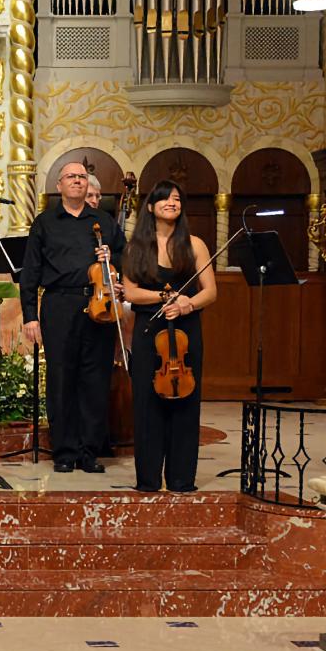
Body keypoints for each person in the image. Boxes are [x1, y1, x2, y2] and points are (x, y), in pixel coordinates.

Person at [19, 160, 125, 474]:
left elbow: (126, 254)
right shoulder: (45, 222)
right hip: (58, 305)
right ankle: (64, 451)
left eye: (82, 177)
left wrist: (112, 258)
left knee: (95, 381)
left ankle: (89, 451)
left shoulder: (103, 220)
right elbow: (30, 272)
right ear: (60, 185)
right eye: (71, 177)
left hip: (99, 304)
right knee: (61, 380)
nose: (77, 181)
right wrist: (30, 315)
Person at [119, 180, 216, 493]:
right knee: (147, 405)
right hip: (150, 329)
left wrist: (186, 303)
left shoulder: (195, 244)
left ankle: (181, 479)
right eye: (165, 199)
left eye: (177, 198)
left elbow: (211, 292)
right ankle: (147, 479)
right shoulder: (136, 247)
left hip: (186, 331)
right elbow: (131, 291)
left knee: (185, 403)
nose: (172, 202)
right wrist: (164, 297)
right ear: (151, 207)